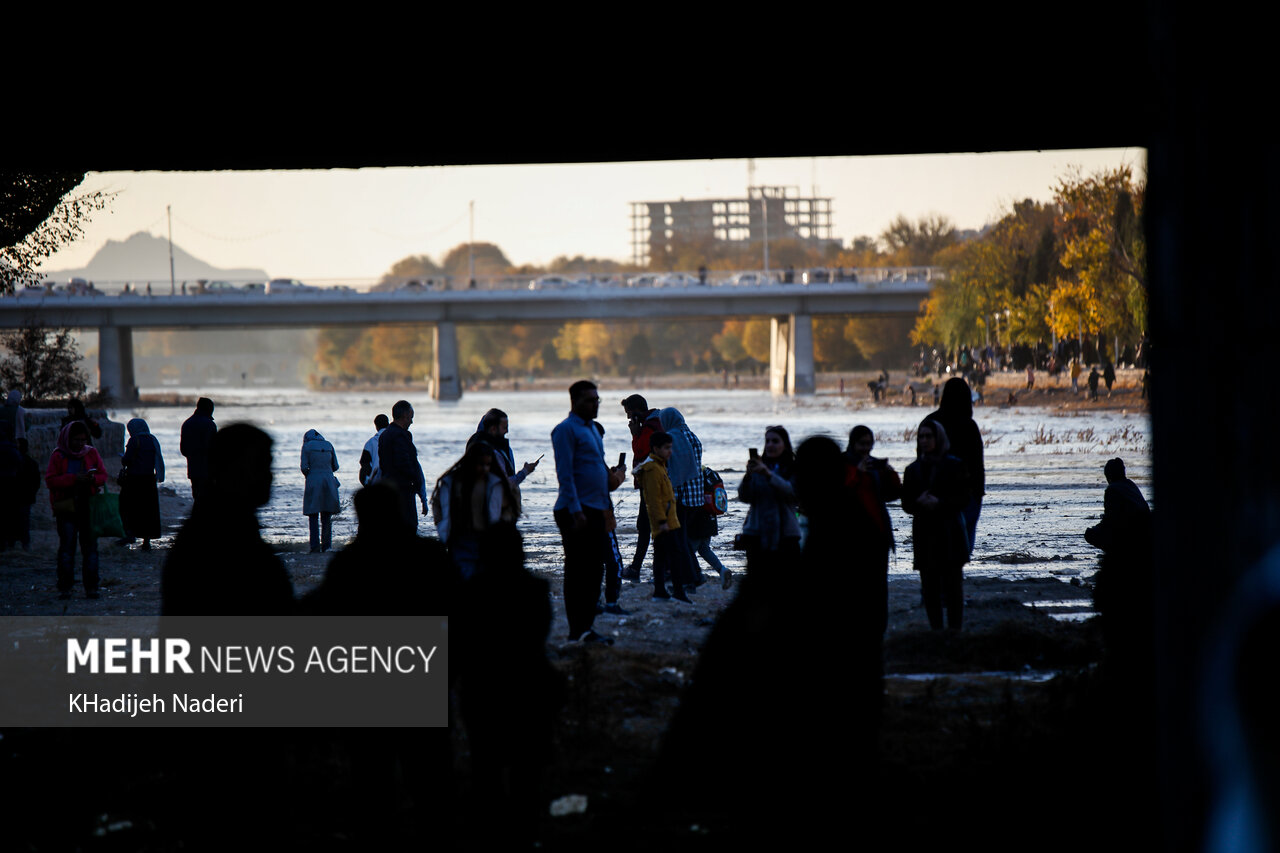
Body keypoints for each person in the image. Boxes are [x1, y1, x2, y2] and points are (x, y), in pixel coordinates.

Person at [162, 423, 294, 615]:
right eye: (261, 465)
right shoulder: (220, 539)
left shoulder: (215, 526)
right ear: (233, 469)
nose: (270, 476)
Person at [551, 380, 624, 645]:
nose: (595, 404)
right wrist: (575, 509)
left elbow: (596, 469)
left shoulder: (593, 429)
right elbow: (565, 474)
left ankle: (587, 627)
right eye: (590, 400)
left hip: (596, 510)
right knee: (577, 571)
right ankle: (576, 631)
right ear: (575, 401)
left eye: (597, 400)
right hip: (575, 511)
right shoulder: (565, 430)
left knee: (596, 571)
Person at [900, 419, 970, 630]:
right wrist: (919, 503)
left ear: (938, 438)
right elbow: (906, 503)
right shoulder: (912, 469)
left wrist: (940, 503)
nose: (924, 441)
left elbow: (964, 498)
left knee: (953, 586)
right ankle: (936, 631)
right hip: (925, 532)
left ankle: (954, 631)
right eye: (921, 437)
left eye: (928, 436)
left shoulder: (955, 465)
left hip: (950, 530)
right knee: (929, 586)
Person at [844, 425, 903, 642]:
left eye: (869, 444)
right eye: (862, 444)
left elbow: (893, 493)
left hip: (877, 535)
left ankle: (877, 632)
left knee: (878, 587)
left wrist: (889, 472)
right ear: (853, 443)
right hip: (850, 536)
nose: (866, 449)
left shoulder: (875, 466)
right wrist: (858, 472)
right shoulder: (843, 464)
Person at [432, 440, 520, 580]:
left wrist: (504, 529)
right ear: (471, 462)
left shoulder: (494, 483)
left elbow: (507, 507)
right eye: (481, 464)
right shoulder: (453, 482)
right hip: (460, 539)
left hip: (488, 540)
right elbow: (437, 504)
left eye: (488, 465)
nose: (485, 468)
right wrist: (441, 526)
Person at [45, 422, 109, 599]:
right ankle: (65, 587)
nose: (81, 443)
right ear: (68, 438)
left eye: (83, 440)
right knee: (67, 549)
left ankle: (92, 587)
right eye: (77, 440)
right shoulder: (58, 456)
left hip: (88, 507)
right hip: (66, 508)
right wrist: (73, 479)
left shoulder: (91, 453)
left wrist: (91, 479)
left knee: (90, 549)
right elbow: (50, 481)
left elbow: (103, 476)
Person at [928, 376, 985, 558]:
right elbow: (978, 464)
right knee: (961, 548)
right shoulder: (969, 425)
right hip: (967, 494)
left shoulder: (931, 422)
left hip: (935, 493)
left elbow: (922, 460)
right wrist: (977, 493)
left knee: (938, 545)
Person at [635, 431, 693, 602]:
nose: (670, 452)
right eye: (667, 448)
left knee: (662, 556)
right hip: (664, 522)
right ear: (655, 448)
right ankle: (677, 592)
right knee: (674, 555)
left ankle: (661, 591)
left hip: (668, 520)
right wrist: (661, 521)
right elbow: (653, 499)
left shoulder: (659, 465)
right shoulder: (653, 468)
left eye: (671, 448)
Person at [737, 425, 800, 581]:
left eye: (775, 441)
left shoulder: (793, 468)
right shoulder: (759, 467)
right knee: (759, 582)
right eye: (767, 441)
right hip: (757, 532)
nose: (770, 445)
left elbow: (793, 494)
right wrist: (748, 476)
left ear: (785, 444)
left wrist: (769, 474)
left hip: (786, 533)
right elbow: (745, 497)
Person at [658, 406, 708, 589]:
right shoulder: (692, 436)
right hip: (695, 497)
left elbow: (675, 472)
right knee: (683, 538)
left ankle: (691, 578)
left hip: (680, 496)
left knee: (678, 539)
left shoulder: (673, 438)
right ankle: (696, 575)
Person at [620, 393, 662, 581]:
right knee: (648, 526)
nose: (629, 419)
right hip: (652, 482)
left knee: (645, 526)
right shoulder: (654, 423)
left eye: (629, 414)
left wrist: (634, 435)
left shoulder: (648, 429)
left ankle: (638, 567)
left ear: (637, 411)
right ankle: (650, 566)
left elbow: (641, 451)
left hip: (651, 484)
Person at [465, 407, 540, 499]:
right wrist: (525, 472)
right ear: (493, 429)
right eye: (504, 427)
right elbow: (504, 484)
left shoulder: (479, 445)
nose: (507, 431)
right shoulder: (492, 452)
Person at [379, 400, 428, 533]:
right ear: (405, 416)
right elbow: (405, 463)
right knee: (409, 525)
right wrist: (416, 483)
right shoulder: (400, 436)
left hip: (388, 486)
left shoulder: (385, 434)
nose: (411, 422)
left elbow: (383, 464)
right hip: (403, 488)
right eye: (411, 417)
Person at [118, 417, 165, 550]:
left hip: (134, 480)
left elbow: (127, 460)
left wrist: (123, 457)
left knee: (129, 508)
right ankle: (146, 541)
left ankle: (130, 534)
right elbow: (158, 458)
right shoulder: (152, 439)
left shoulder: (134, 440)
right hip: (150, 479)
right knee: (148, 510)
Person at [301, 428, 340, 553]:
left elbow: (304, 467)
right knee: (326, 515)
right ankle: (327, 546)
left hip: (313, 480)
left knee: (313, 515)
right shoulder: (329, 445)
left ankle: (315, 547)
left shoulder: (307, 446)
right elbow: (336, 466)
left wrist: (310, 474)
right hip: (329, 481)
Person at [180, 397, 217, 505]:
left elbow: (183, 450)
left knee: (197, 498)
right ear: (209, 409)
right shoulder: (209, 424)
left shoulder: (187, 424)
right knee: (209, 500)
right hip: (209, 470)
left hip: (193, 469)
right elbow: (214, 449)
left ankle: (199, 519)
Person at [358, 413, 389, 486]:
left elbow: (364, 464)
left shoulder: (370, 442)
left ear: (376, 427)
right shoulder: (396, 438)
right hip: (394, 481)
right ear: (388, 424)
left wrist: (366, 482)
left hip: (375, 481)